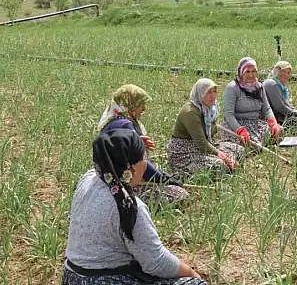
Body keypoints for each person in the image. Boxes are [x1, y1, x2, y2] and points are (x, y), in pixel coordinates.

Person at [62, 129, 205, 285]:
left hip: (72, 277)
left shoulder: (89, 179)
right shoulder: (128, 207)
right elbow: (156, 263)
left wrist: (128, 147)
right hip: (107, 280)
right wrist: (192, 274)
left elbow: (108, 157)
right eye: (145, 157)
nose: (147, 161)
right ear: (132, 168)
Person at [97, 85, 189, 207]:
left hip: (108, 178)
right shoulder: (124, 125)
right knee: (180, 195)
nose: (144, 108)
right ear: (132, 104)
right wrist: (162, 178)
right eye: (141, 104)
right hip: (123, 185)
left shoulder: (114, 120)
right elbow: (139, 162)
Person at [166, 78, 243, 178]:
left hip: (204, 145)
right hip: (184, 149)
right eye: (208, 92)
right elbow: (201, 143)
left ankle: (226, 164)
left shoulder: (211, 109)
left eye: (214, 91)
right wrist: (224, 157)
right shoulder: (191, 112)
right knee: (219, 166)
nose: (213, 96)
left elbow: (212, 134)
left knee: (238, 149)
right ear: (200, 93)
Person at [219, 57, 282, 146]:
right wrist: (240, 130)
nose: (251, 75)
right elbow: (228, 114)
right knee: (253, 143)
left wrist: (273, 122)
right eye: (247, 72)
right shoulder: (232, 88)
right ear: (241, 73)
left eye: (253, 71)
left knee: (278, 131)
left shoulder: (259, 87)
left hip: (255, 123)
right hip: (237, 124)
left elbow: (266, 108)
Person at [263, 61, 297, 133]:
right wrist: (293, 113)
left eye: (288, 73)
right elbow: (279, 106)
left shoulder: (280, 86)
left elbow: (286, 104)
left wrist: (295, 111)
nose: (286, 75)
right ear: (276, 71)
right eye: (283, 71)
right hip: (271, 116)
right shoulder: (271, 84)